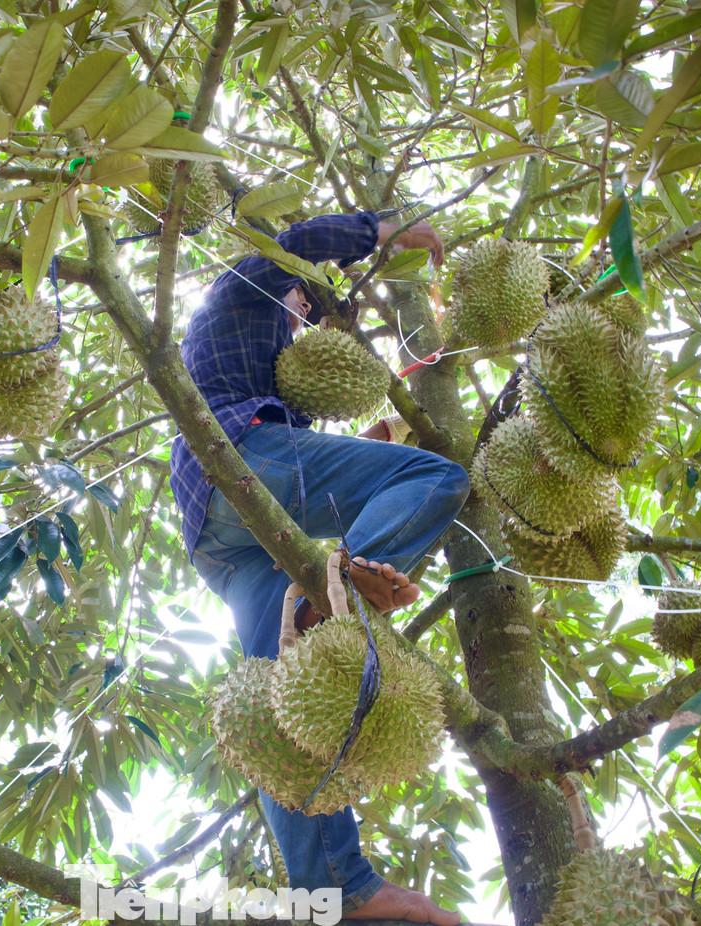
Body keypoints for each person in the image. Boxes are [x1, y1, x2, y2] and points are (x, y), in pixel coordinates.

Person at [168, 211, 471, 924]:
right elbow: (293, 249)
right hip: (236, 457)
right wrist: (382, 230)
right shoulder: (242, 299)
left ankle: (339, 888)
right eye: (307, 304)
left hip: (228, 538)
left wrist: (392, 419)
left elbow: (339, 471)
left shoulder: (280, 393)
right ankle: (333, 593)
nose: (306, 317)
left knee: (281, 700)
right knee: (437, 482)